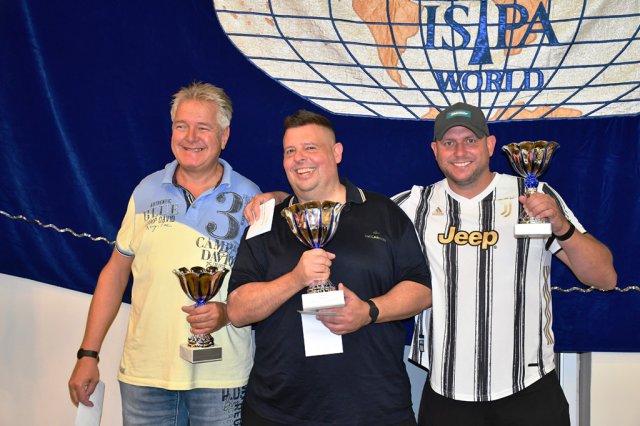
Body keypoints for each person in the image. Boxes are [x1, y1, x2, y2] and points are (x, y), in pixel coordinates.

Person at [393, 102, 617, 426]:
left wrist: (561, 226)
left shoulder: (534, 196)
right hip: (447, 392)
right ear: (435, 150)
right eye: (449, 142)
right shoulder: (415, 204)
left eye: (470, 140)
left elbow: (605, 277)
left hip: (528, 389)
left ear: (490, 145)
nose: (460, 151)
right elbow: (357, 232)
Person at [68, 82, 261, 425]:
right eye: (181, 126)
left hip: (222, 377)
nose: (190, 137)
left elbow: (261, 288)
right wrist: (88, 353)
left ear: (224, 136)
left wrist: (228, 312)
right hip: (146, 377)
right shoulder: (145, 190)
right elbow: (115, 273)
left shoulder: (251, 198)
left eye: (203, 128)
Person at [227, 109, 432, 425]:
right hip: (278, 412)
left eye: (310, 147)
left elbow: (422, 290)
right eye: (290, 151)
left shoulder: (382, 212)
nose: (299, 158)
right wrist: (296, 278)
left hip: (374, 410)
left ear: (336, 153)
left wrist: (369, 311)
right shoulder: (266, 221)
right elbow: (238, 311)